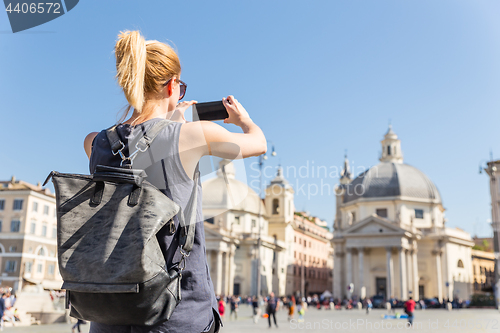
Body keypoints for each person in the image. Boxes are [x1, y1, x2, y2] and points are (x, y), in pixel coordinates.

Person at [83, 30, 267, 333]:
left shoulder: (94, 142)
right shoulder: (191, 135)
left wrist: (172, 124)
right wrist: (242, 119)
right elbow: (257, 142)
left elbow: (140, 152)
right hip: (176, 314)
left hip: (109, 313)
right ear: (172, 86)